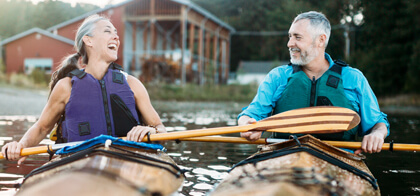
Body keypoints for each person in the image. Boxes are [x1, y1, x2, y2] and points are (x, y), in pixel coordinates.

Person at [1, 15, 166, 164]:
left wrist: (151, 130)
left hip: (128, 160)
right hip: (78, 162)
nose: (116, 37)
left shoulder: (132, 84)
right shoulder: (67, 86)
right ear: (88, 40)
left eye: (116, 33)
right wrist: (21, 145)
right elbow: (42, 127)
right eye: (108, 31)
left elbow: (160, 129)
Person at [238, 11, 389, 154]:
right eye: (289, 36)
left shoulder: (353, 78)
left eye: (297, 37)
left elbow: (377, 123)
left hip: (339, 158)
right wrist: (246, 124)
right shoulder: (278, 77)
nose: (290, 43)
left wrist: (377, 134)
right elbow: (250, 115)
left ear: (321, 40)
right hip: (283, 155)